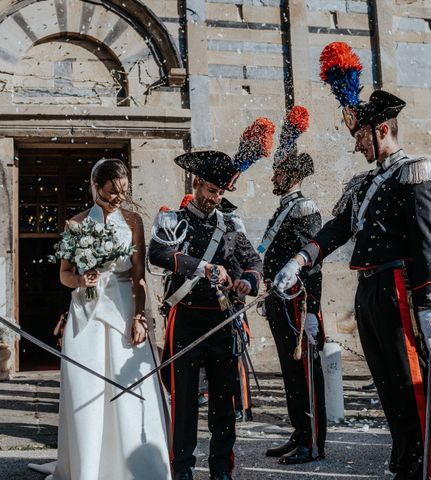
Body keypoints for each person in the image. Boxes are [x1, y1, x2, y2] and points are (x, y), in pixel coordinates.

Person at [275, 43, 431, 479]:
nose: (356, 146)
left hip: (401, 291)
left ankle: (426, 468)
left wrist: (430, 307)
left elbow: (428, 243)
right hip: (369, 288)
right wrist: (299, 259)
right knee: (388, 385)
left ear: (382, 129)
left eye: (360, 136)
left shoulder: (415, 172)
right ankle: (404, 461)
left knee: (411, 385)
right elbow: (335, 230)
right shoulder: (363, 183)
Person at [30, 158, 170, 480]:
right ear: (96, 187)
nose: (118, 198)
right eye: (111, 192)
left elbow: (138, 275)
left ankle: (133, 468)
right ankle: (87, 470)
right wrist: (82, 281)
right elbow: (64, 274)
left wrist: (139, 317)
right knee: (87, 388)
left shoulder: (133, 221)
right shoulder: (75, 224)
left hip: (122, 309)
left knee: (128, 387)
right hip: (86, 314)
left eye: (123, 192)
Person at [149, 150, 263, 480]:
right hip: (186, 319)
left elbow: (255, 263)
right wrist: (204, 267)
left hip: (223, 322)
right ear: (197, 183)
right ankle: (182, 469)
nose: (216, 197)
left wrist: (247, 281)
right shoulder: (173, 221)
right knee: (183, 402)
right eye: (212, 190)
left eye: (221, 192)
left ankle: (221, 469)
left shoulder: (231, 224)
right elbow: (158, 254)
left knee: (223, 405)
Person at [262, 106, 326, 464]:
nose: (273, 176)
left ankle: (312, 441)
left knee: (305, 374)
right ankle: (299, 431)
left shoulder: (304, 208)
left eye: (277, 171)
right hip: (280, 301)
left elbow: (312, 263)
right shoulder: (285, 208)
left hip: (299, 305)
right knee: (290, 372)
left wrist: (313, 310)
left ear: (291, 174)